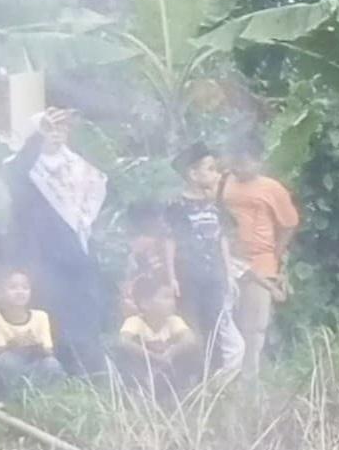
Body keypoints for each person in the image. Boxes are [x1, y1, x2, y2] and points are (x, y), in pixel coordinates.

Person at [7, 111, 109, 375]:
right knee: (50, 310)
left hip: (76, 251)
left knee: (83, 311)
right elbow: (18, 173)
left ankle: (86, 372)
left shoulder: (79, 166)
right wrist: (36, 138)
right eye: (49, 129)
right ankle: (54, 371)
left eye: (61, 128)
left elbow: (89, 206)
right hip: (40, 253)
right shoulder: (26, 166)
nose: (56, 133)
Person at [218, 139, 301, 375]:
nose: (239, 168)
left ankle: (251, 379)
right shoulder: (224, 183)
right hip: (228, 261)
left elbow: (289, 224)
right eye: (236, 163)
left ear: (258, 161)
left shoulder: (272, 188)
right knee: (228, 323)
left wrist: (274, 255)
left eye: (245, 163)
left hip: (261, 263)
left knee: (254, 326)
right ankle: (229, 376)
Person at [171, 145, 240, 377]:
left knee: (214, 326)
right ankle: (191, 380)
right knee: (192, 328)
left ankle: (214, 379)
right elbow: (169, 241)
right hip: (189, 276)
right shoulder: (177, 206)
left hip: (215, 276)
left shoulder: (215, 205)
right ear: (192, 174)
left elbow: (222, 240)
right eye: (210, 169)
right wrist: (171, 277)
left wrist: (229, 274)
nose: (216, 174)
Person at [0, 269, 57, 397]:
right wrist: (14, 344)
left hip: (33, 365)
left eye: (25, 287)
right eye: (13, 287)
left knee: (51, 364)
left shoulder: (41, 316)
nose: (20, 292)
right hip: (5, 368)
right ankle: (8, 398)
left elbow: (49, 351)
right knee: (6, 360)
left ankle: (42, 399)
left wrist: (34, 343)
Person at [116, 276, 199, 399]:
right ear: (145, 304)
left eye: (172, 298)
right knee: (126, 355)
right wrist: (152, 356)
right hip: (144, 368)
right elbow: (123, 341)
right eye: (166, 297)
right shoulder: (135, 321)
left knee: (192, 351)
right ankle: (137, 393)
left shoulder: (173, 321)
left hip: (167, 367)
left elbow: (190, 339)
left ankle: (182, 391)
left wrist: (171, 353)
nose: (172, 302)